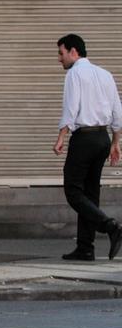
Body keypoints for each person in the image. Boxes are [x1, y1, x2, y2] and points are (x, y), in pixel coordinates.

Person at [53, 34, 122, 261]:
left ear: (74, 52)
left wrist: (61, 136)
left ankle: (110, 226)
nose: (59, 59)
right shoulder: (105, 74)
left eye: (61, 53)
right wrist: (115, 142)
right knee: (90, 193)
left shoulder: (75, 74)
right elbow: (117, 111)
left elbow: (71, 107)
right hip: (102, 138)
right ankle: (85, 247)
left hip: (84, 138)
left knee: (73, 190)